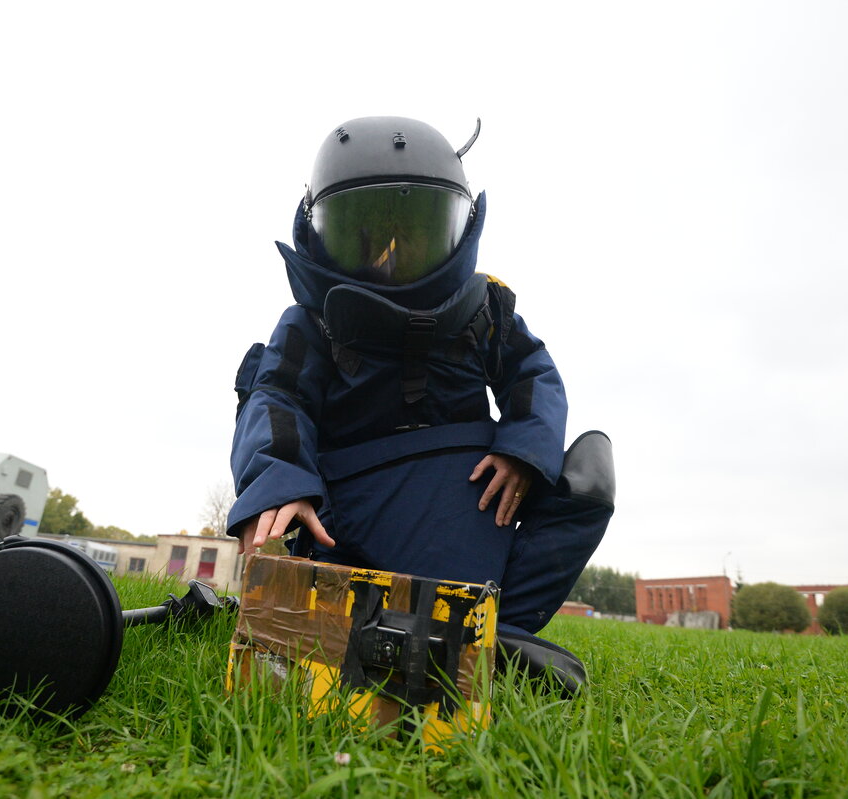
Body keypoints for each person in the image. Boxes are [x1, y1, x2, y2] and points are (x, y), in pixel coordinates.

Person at [226, 116, 615, 695]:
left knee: (590, 475)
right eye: (367, 236)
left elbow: (534, 374)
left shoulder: (487, 309)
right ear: (321, 231)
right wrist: (279, 480)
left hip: (479, 509)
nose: (389, 258)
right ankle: (453, 644)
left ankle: (486, 633)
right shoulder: (310, 324)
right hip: (352, 531)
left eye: (414, 235)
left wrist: (522, 451)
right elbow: (279, 399)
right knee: (283, 456)